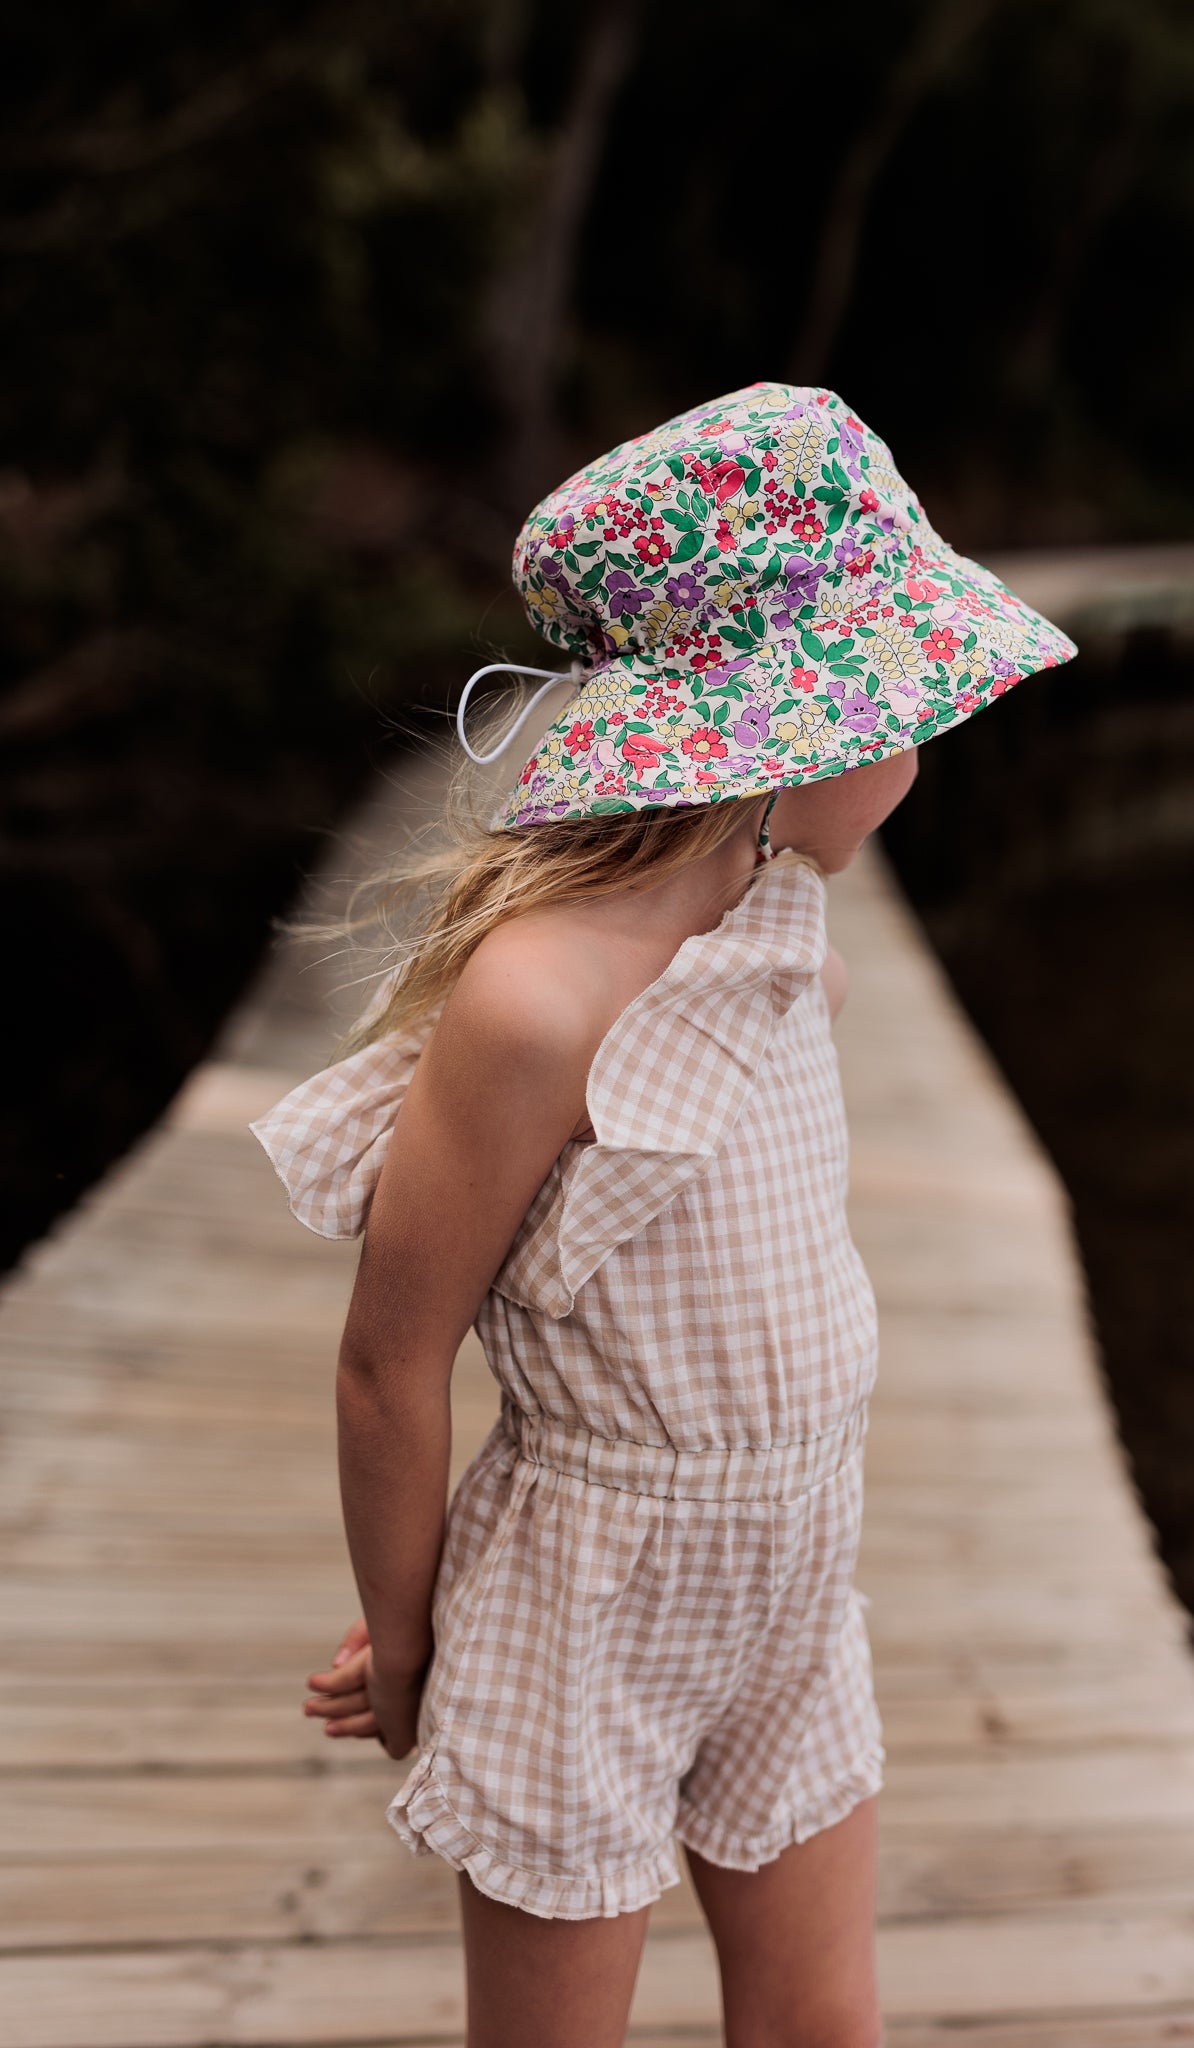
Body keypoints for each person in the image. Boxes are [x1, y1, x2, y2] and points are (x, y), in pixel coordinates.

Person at [250, 380, 1078, 2047]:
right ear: (782, 740)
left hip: (792, 1581)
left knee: (820, 2026)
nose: (917, 750)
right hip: (588, 1610)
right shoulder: (533, 1009)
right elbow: (386, 1363)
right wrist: (413, 1645)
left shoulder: (790, 946)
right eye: (900, 713)